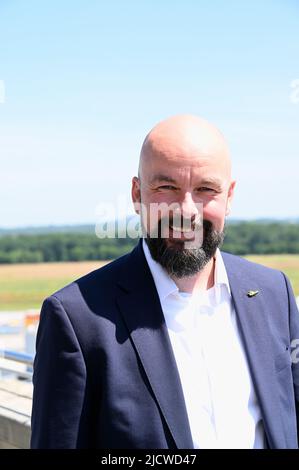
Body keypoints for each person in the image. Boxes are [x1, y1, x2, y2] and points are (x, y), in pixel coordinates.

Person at [30, 114, 299, 449]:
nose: (186, 210)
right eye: (167, 187)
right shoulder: (76, 318)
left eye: (205, 189)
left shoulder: (275, 294)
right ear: (136, 193)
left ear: (229, 197)